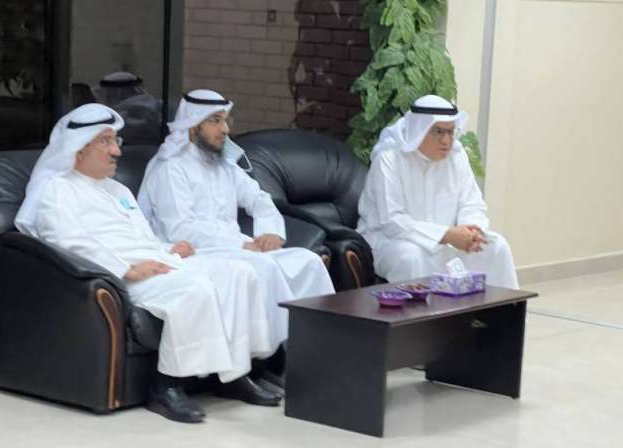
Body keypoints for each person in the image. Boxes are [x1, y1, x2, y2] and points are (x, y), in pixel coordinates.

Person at [15, 103, 282, 424]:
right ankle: (167, 387)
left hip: (156, 261)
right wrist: (126, 268)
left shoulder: (117, 189)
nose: (116, 151)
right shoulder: (56, 190)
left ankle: (234, 375)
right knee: (193, 289)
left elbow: (142, 237)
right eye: (105, 142)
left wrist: (170, 249)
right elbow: (67, 242)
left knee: (240, 273)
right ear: (78, 148)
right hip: (118, 274)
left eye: (116, 141)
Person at [137, 89, 336, 384]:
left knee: (307, 262)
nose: (225, 129)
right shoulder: (170, 167)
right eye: (215, 121)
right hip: (194, 253)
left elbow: (258, 198)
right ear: (192, 127)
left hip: (235, 248)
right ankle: (263, 364)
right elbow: (181, 228)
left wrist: (269, 232)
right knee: (262, 267)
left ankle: (309, 355)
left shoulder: (223, 164)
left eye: (225, 120)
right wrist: (243, 244)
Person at [356, 94, 518, 288]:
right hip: (392, 242)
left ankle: (505, 308)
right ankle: (420, 309)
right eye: (438, 132)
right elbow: (393, 222)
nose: (446, 140)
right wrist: (447, 235)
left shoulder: (456, 156)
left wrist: (471, 231)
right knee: (411, 256)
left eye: (450, 132)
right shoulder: (389, 159)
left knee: (497, 246)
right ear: (419, 129)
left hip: (447, 241)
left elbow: (472, 203)